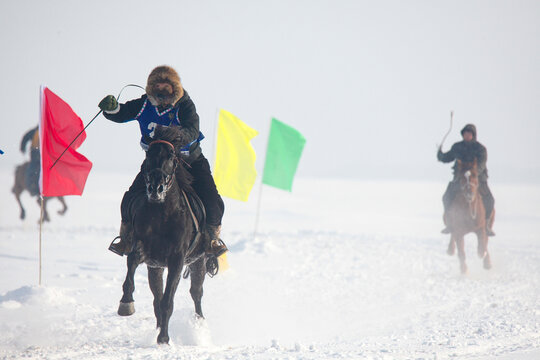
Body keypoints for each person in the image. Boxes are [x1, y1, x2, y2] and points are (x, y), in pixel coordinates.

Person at [98, 65, 228, 259]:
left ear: (174, 87)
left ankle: (211, 240)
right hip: (157, 163)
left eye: (166, 86)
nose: (161, 90)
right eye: (157, 85)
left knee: (213, 201)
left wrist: (176, 136)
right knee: (130, 198)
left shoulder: (184, 105)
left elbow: (193, 128)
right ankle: (126, 238)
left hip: (190, 161)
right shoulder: (144, 104)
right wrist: (112, 109)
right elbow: (123, 113)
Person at [437, 124, 495, 236]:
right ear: (463, 134)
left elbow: (482, 164)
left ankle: (486, 225)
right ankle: (449, 223)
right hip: (460, 180)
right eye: (465, 133)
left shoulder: (480, 149)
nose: (467, 135)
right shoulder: (457, 147)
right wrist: (440, 155)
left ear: (473, 135)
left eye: (469, 133)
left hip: (478, 180)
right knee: (446, 197)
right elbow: (447, 157)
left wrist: (473, 173)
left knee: (490, 199)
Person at [20, 126, 40, 196]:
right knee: (33, 167)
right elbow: (25, 138)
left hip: (44, 154)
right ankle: (31, 184)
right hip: (35, 153)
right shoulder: (34, 131)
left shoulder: (46, 132)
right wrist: (22, 147)